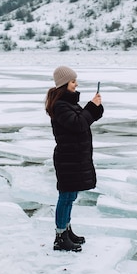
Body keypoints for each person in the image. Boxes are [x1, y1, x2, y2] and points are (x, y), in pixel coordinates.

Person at [45, 66, 103, 252]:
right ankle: (60, 237)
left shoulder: (68, 103)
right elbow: (78, 124)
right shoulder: (61, 105)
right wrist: (91, 107)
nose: (76, 84)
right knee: (66, 197)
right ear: (64, 84)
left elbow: (85, 119)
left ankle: (67, 231)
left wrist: (96, 107)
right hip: (67, 158)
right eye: (72, 81)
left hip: (74, 157)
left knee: (70, 196)